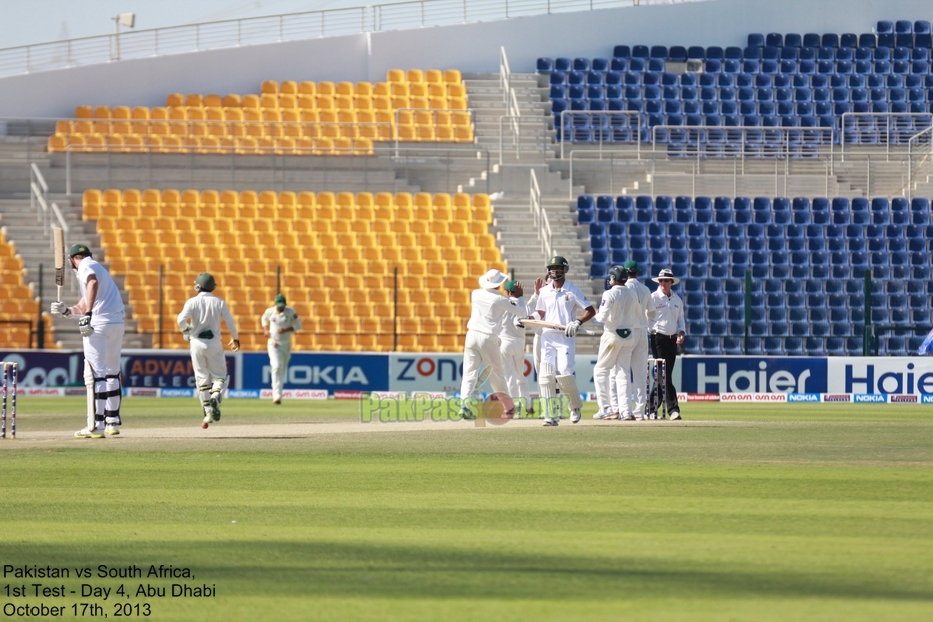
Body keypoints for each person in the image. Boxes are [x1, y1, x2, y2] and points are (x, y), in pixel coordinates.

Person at [50, 244, 125, 439]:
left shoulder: (84, 267)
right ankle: (112, 422)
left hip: (99, 324)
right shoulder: (100, 267)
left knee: (95, 374)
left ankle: (95, 425)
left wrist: (89, 314)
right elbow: (83, 304)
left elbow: (91, 284)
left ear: (73, 260)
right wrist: (66, 312)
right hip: (116, 324)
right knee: (112, 373)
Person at [530, 256, 596, 426]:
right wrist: (528, 318)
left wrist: (578, 321)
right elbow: (540, 313)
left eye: (558, 268)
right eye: (552, 268)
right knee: (546, 375)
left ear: (564, 270)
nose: (554, 271)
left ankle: (574, 406)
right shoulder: (544, 291)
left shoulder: (572, 290)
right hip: (547, 336)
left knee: (565, 372)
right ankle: (550, 415)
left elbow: (590, 310)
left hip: (565, 336)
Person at [459, 269, 526, 420]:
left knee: (469, 373)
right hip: (487, 337)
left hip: (471, 335)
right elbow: (521, 312)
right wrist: (519, 297)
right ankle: (508, 407)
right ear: (500, 283)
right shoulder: (499, 299)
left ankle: (464, 405)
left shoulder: (475, 293)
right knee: (496, 374)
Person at [177, 273, 240, 427]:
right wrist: (235, 338)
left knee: (201, 379)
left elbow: (180, 320)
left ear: (198, 286)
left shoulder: (192, 302)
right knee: (219, 376)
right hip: (214, 343)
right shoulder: (219, 302)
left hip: (196, 343)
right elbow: (230, 322)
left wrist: (186, 330)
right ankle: (216, 394)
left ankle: (208, 413)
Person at [593, 265, 643, 422]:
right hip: (629, 336)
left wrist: (597, 314)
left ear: (614, 278)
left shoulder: (609, 294)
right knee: (623, 374)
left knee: (601, 370)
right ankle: (626, 411)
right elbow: (637, 314)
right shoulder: (632, 293)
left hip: (612, 335)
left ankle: (605, 408)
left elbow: (601, 319)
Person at [649, 268, 685, 420]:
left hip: (672, 340)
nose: (663, 283)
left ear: (671, 282)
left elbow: (680, 319)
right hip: (658, 339)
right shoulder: (653, 298)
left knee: (664, 376)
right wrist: (652, 331)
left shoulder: (677, 300)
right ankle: (673, 409)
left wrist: (681, 332)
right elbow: (646, 318)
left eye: (666, 280)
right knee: (664, 375)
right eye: (661, 280)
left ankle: (650, 409)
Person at [624, 260, 657, 420]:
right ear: (637, 272)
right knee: (640, 373)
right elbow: (652, 314)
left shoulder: (622, 289)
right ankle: (639, 411)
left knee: (622, 371)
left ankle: (624, 409)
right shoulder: (645, 289)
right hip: (642, 332)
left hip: (626, 332)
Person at [261, 293, 302, 404]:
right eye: (279, 305)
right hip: (274, 343)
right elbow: (264, 319)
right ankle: (276, 395)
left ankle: (278, 393)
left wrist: (288, 329)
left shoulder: (290, 312)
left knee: (282, 369)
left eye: (283, 305)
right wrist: (265, 330)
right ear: (275, 304)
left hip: (286, 344)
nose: (281, 307)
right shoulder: (270, 311)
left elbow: (299, 325)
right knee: (276, 366)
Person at [499, 279, 531, 417]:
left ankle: (514, 408)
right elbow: (526, 314)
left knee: (509, 377)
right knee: (520, 376)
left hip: (505, 342)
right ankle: (528, 405)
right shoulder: (523, 304)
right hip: (519, 343)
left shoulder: (503, 303)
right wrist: (522, 297)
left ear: (508, 292)